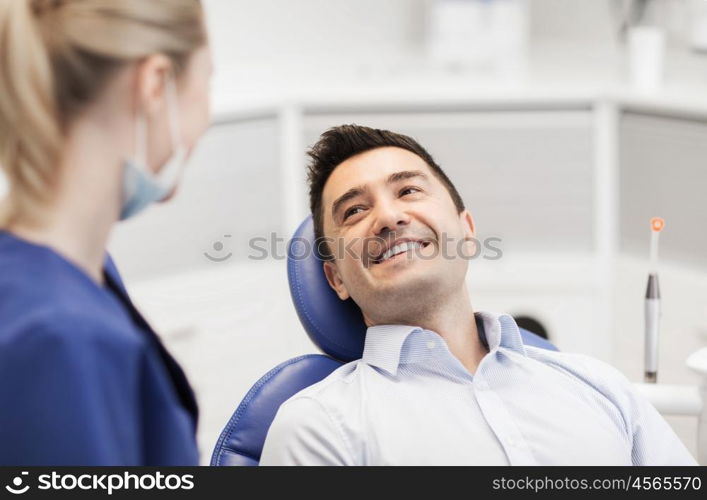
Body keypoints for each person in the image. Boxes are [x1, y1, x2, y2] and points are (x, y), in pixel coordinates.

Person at [259, 124, 698, 466]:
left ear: (467, 231)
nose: (389, 216)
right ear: (336, 278)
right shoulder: (317, 428)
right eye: (355, 211)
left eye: (408, 190)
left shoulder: (597, 386)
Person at [0, 0, 212, 465]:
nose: (207, 117)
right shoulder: (60, 337)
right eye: (206, 79)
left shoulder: (73, 281)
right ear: (156, 85)